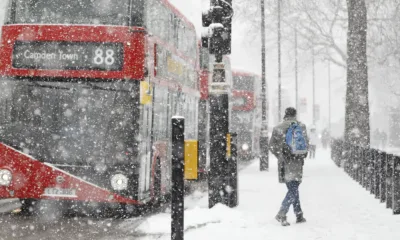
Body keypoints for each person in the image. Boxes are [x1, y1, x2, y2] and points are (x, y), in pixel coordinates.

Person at [269, 107, 308, 226]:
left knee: (292, 188)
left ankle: (298, 214)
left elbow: (271, 145)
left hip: (284, 163)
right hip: (297, 161)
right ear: (295, 115)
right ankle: (283, 213)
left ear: (285, 115)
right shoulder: (301, 127)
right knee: (294, 188)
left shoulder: (278, 128)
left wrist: (280, 155)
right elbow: (306, 144)